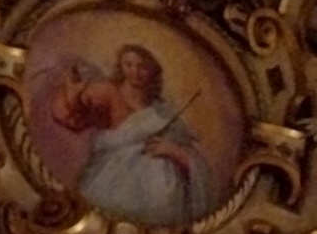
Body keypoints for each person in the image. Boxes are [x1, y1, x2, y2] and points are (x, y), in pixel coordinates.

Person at [37, 43, 214, 224]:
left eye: (141, 66)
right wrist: (73, 95)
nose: (134, 72)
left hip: (158, 195)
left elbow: (193, 158)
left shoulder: (163, 113)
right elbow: (72, 117)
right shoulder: (107, 92)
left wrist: (175, 152)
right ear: (120, 67)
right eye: (128, 65)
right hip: (111, 179)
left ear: (152, 72)